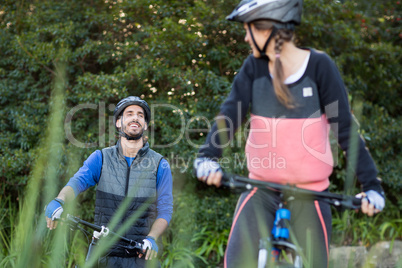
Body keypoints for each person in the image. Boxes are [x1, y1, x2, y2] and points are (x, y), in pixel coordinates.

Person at [193, 0, 385, 267]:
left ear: (269, 29)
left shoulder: (320, 67)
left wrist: (372, 188)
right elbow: (230, 115)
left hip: (311, 194)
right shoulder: (254, 68)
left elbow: (344, 128)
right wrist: (207, 157)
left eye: (250, 30)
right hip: (259, 190)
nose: (246, 37)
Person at [45, 96, 173, 268]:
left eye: (140, 115)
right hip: (104, 256)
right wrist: (59, 200)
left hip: (142, 257)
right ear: (119, 122)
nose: (135, 118)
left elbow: (165, 210)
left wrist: (152, 238)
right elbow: (76, 183)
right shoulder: (101, 157)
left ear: (146, 125)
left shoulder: (159, 164)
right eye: (129, 114)